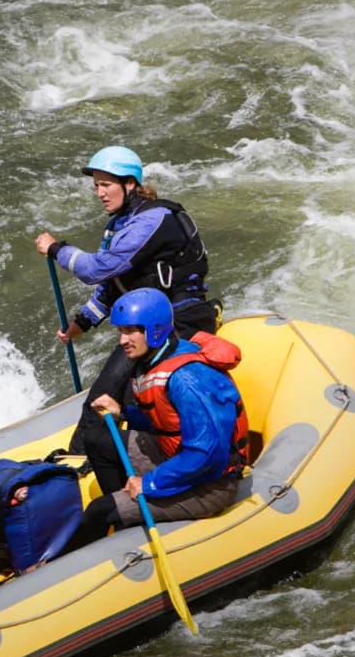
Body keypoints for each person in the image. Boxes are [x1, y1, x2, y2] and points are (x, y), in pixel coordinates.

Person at [35, 144, 220, 454]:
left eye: (106, 184)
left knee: (112, 393)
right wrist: (83, 321)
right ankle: (90, 456)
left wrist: (57, 250)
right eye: (96, 185)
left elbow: (98, 268)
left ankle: (86, 461)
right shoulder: (121, 224)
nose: (99, 193)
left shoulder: (154, 220)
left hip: (180, 318)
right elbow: (113, 283)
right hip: (152, 323)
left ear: (130, 184)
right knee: (110, 391)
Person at [66, 288, 249, 550]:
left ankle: (109, 527)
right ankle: (127, 519)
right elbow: (166, 421)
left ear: (154, 330)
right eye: (120, 331)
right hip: (175, 457)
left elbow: (207, 455)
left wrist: (149, 483)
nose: (122, 340)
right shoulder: (155, 359)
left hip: (211, 484)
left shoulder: (187, 379)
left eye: (131, 331)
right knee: (97, 439)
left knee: (99, 510)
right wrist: (124, 413)